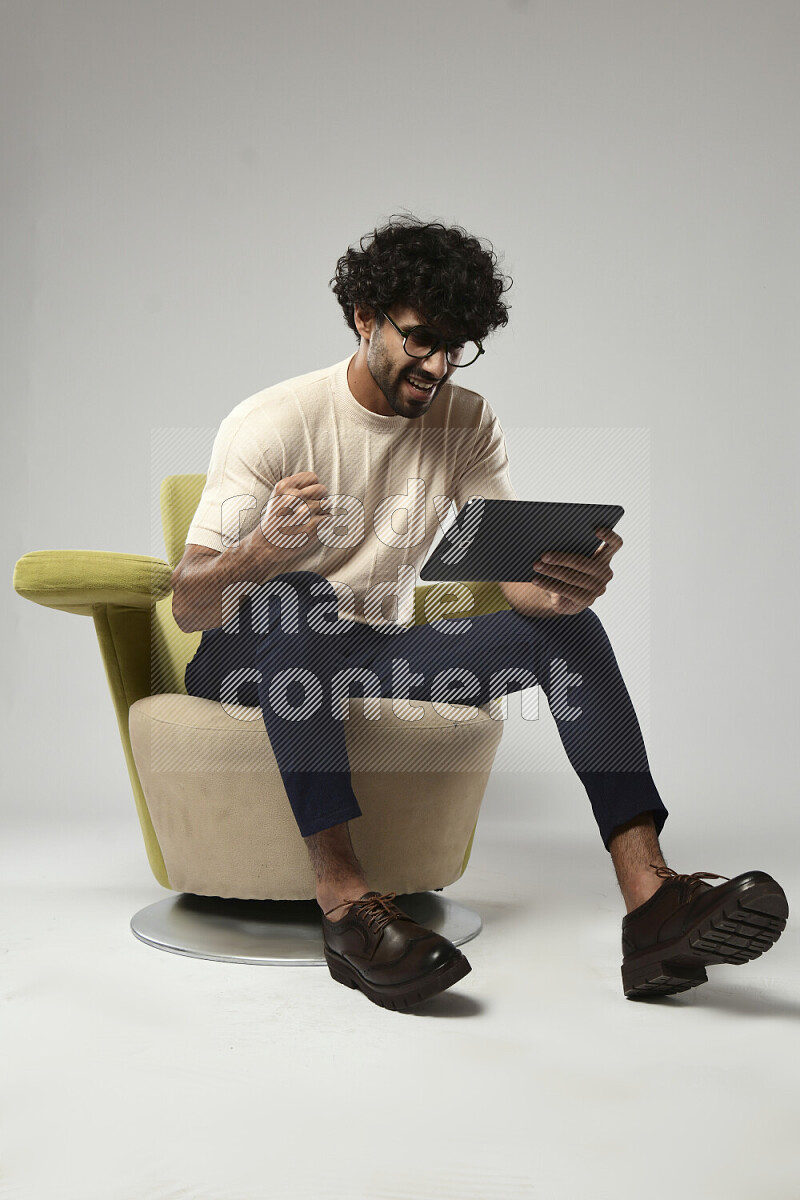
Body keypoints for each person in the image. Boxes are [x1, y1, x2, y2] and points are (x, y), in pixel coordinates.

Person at [171, 215, 788, 1011]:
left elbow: (510, 582)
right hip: (247, 652)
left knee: (567, 630)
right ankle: (347, 906)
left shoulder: (466, 421)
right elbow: (189, 604)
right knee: (300, 596)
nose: (436, 366)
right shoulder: (273, 421)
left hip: (368, 650)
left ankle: (652, 902)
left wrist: (562, 587)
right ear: (365, 318)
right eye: (420, 340)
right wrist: (263, 548)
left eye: (455, 347)